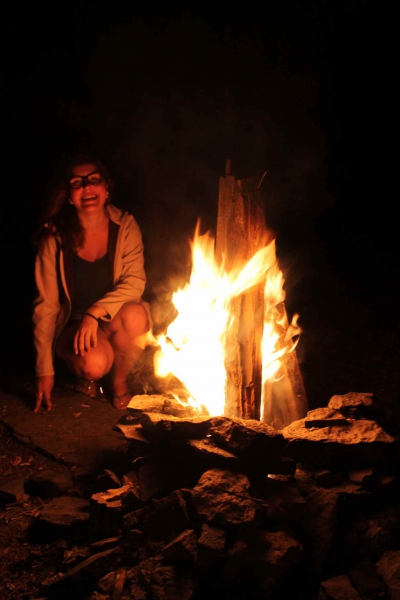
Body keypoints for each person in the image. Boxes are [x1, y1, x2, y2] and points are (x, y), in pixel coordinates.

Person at [32, 154, 151, 412]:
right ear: (69, 195)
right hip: (72, 325)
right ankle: (85, 376)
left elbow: (134, 283)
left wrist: (95, 312)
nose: (86, 187)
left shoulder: (125, 226)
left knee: (137, 316)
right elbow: (45, 305)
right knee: (94, 364)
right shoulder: (54, 237)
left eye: (94, 180)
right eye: (77, 183)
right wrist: (44, 369)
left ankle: (118, 383)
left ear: (106, 188)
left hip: (107, 318)